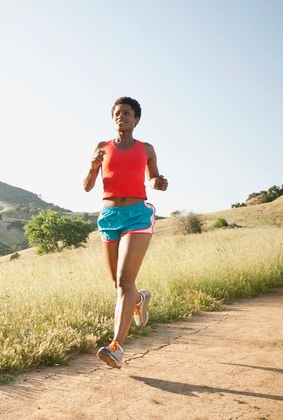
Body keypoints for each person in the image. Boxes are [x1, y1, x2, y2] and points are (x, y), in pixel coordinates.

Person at [82, 96, 168, 369]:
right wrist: (92, 166)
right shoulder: (101, 148)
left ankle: (116, 347)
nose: (122, 116)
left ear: (137, 119)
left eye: (127, 113)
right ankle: (140, 299)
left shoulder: (146, 148)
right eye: (118, 113)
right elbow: (87, 186)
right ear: (113, 118)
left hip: (137, 216)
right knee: (120, 285)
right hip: (109, 217)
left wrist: (159, 182)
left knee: (123, 279)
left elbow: (155, 180)